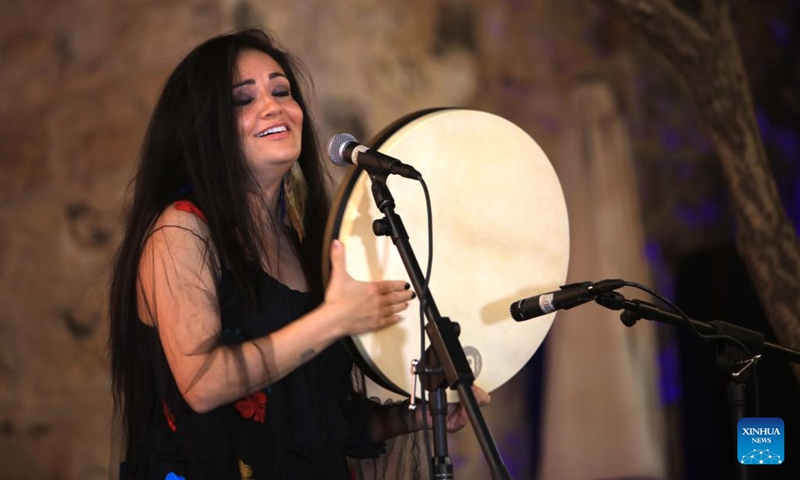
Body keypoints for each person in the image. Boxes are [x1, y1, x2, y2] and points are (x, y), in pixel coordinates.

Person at [109, 29, 488, 480]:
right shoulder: (181, 229)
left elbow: (320, 416)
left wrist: (417, 417)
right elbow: (203, 383)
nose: (274, 107)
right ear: (200, 127)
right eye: (242, 100)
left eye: (282, 91)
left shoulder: (304, 241)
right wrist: (335, 318)